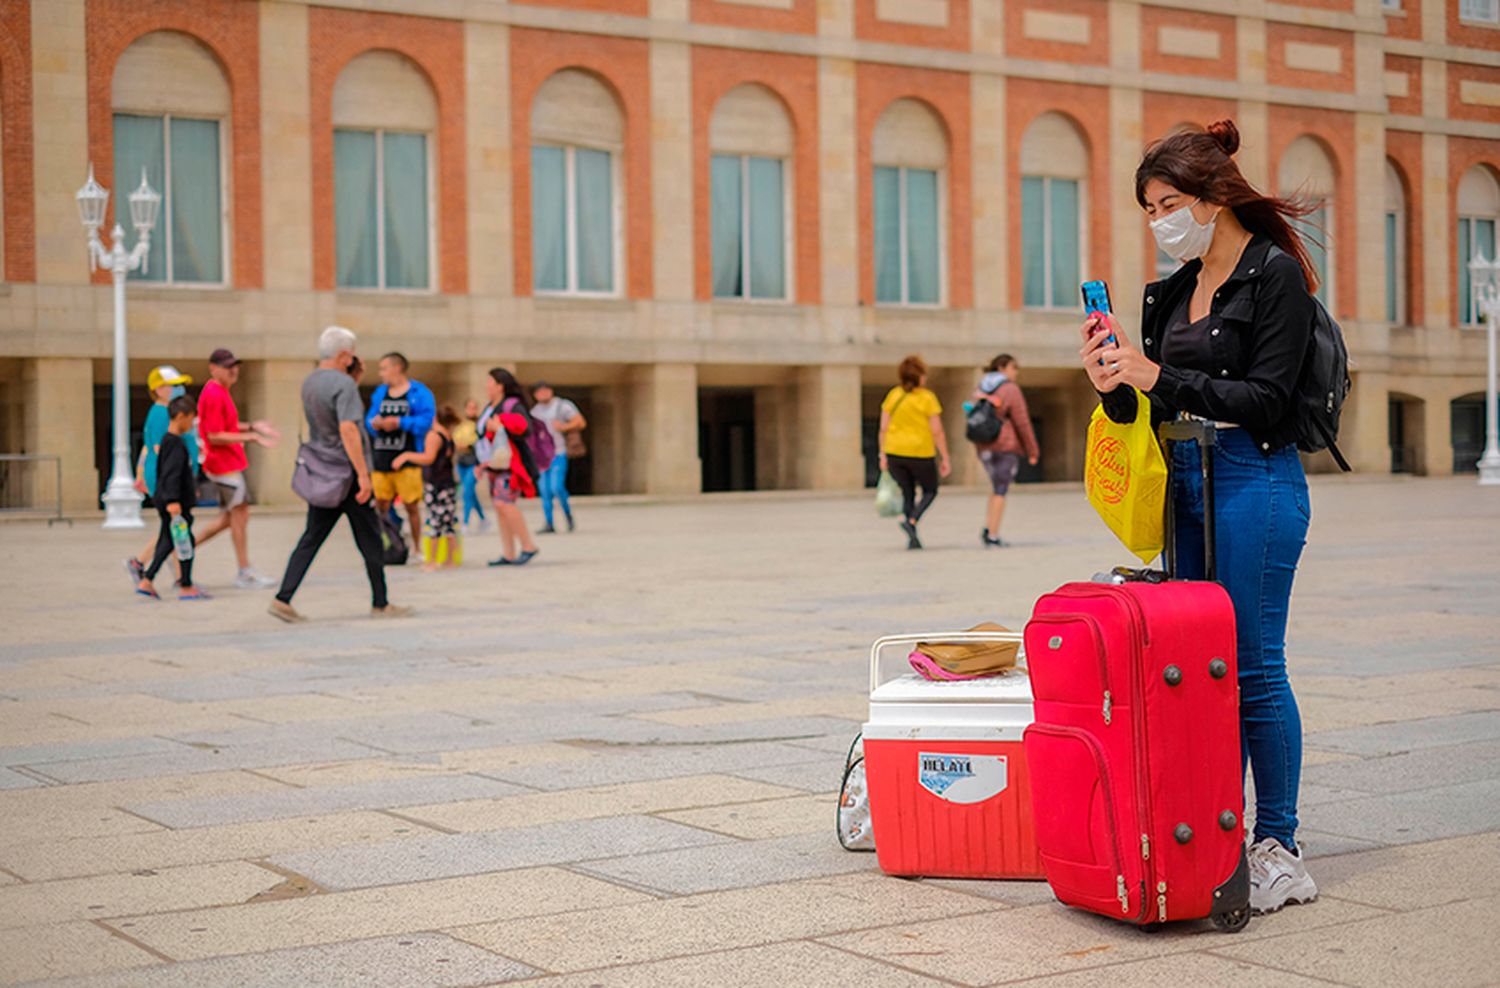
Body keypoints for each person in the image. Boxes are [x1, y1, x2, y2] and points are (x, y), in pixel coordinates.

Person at [1081, 119, 1319, 915]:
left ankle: (1279, 845)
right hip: (1185, 479)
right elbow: (1150, 401)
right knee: (1192, 666)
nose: (1159, 223)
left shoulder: (1274, 277)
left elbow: (1267, 399)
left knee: (1251, 665)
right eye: (1148, 209)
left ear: (1215, 197)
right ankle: (1212, 833)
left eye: (1169, 203)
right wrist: (1115, 378)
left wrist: (1159, 375)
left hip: (1255, 479)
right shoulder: (1172, 291)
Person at [270, 326, 411, 623]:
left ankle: (283, 598)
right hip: (346, 475)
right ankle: (380, 603)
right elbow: (348, 430)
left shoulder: (310, 382)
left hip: (322, 472)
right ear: (345, 355)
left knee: (311, 537)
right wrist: (363, 475)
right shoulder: (343, 386)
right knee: (369, 537)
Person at [195, 348, 279, 589]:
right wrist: (252, 436)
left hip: (228, 463)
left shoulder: (221, 391)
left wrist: (252, 426)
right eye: (226, 365)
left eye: (235, 365)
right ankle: (244, 571)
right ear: (213, 368)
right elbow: (214, 435)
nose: (233, 370)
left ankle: (180, 553)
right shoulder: (213, 393)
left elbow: (226, 426)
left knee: (230, 518)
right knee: (239, 516)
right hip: (223, 465)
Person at [126, 365, 199, 585]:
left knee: (173, 529)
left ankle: (180, 577)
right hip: (169, 480)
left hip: (169, 478)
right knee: (173, 527)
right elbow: (160, 450)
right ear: (159, 389)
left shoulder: (163, 411)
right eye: (173, 385)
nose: (179, 390)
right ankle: (149, 568)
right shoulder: (161, 414)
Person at [136, 394, 207, 601]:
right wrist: (173, 501)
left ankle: (148, 580)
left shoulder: (169, 442)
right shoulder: (175, 444)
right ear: (181, 416)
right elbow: (172, 474)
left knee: (167, 542)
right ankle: (185, 585)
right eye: (191, 418)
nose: (192, 424)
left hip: (169, 500)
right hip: (174, 503)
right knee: (184, 543)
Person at [878, 355, 950, 550]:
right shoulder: (927, 398)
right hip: (920, 453)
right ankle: (912, 520)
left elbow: (883, 428)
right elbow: (937, 431)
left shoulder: (893, 395)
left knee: (908, 492)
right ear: (919, 376)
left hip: (895, 452)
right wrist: (944, 456)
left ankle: (913, 538)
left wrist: (882, 454)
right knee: (930, 490)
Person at [366, 353, 435, 556]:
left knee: (411, 505)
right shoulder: (380, 393)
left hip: (408, 458)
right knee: (380, 505)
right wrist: (376, 424)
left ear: (397, 368)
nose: (381, 373)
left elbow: (426, 421)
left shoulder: (419, 392)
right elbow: (369, 419)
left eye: (384, 368)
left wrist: (399, 422)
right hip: (382, 458)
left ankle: (416, 547)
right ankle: (390, 543)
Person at [971, 354, 1040, 548]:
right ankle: (993, 535)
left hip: (984, 445)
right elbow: (1022, 422)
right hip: (1005, 446)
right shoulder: (1009, 389)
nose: (1016, 372)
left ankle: (988, 526)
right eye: (1013, 367)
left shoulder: (981, 386)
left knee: (995, 488)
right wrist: (1032, 450)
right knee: (1001, 489)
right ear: (1002, 367)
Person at [477, 368, 540, 567]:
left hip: (510, 464)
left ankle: (528, 545)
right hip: (494, 464)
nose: (486, 385)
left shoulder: (511, 405)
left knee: (506, 503)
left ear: (500, 385)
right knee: (499, 506)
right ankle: (509, 552)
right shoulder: (489, 407)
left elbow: (525, 428)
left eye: (490, 382)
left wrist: (501, 427)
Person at [394, 405, 462, 571]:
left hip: (437, 485)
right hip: (448, 484)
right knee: (448, 522)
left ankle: (431, 561)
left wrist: (406, 456)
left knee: (434, 521)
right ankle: (450, 560)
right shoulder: (448, 435)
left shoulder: (434, 435)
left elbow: (428, 458)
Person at [529, 381, 586, 534]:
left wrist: (564, 427)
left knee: (557, 486)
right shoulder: (535, 411)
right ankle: (549, 522)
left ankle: (567, 514)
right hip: (542, 456)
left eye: (545, 391)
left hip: (558, 452)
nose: (543, 394)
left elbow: (580, 422)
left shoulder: (563, 405)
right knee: (544, 490)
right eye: (539, 392)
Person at [455, 399, 487, 533]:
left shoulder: (480, 425)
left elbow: (480, 444)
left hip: (474, 462)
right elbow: (456, 440)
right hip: (462, 461)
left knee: (467, 492)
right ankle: (483, 519)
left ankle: (466, 522)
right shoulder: (462, 424)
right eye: (469, 408)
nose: (472, 411)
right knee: (470, 493)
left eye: (474, 408)